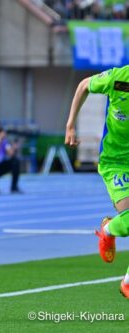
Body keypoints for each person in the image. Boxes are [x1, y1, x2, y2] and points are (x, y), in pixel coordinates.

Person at [65, 66, 129, 298]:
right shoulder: (118, 78)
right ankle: (108, 229)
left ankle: (127, 283)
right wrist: (70, 124)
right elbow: (83, 85)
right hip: (116, 162)